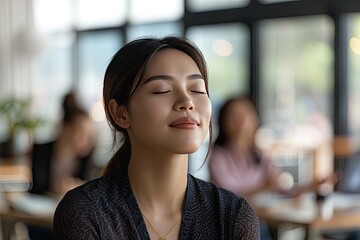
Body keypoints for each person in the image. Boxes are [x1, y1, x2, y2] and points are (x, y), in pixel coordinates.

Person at [53, 36, 260, 239]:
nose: (187, 101)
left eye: (197, 89)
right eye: (162, 90)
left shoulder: (233, 216)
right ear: (120, 113)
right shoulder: (85, 212)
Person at [208, 95, 338, 240]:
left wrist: (310, 187)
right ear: (223, 121)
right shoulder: (218, 157)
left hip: (260, 221)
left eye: (246, 114)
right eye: (235, 116)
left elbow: (283, 189)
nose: (242, 121)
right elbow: (227, 199)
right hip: (232, 227)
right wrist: (264, 187)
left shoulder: (259, 154)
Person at [30, 91, 96, 196]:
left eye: (89, 134)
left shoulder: (86, 156)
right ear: (65, 129)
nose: (88, 140)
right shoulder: (41, 151)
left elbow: (91, 186)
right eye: (81, 132)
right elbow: (35, 189)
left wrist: (76, 186)